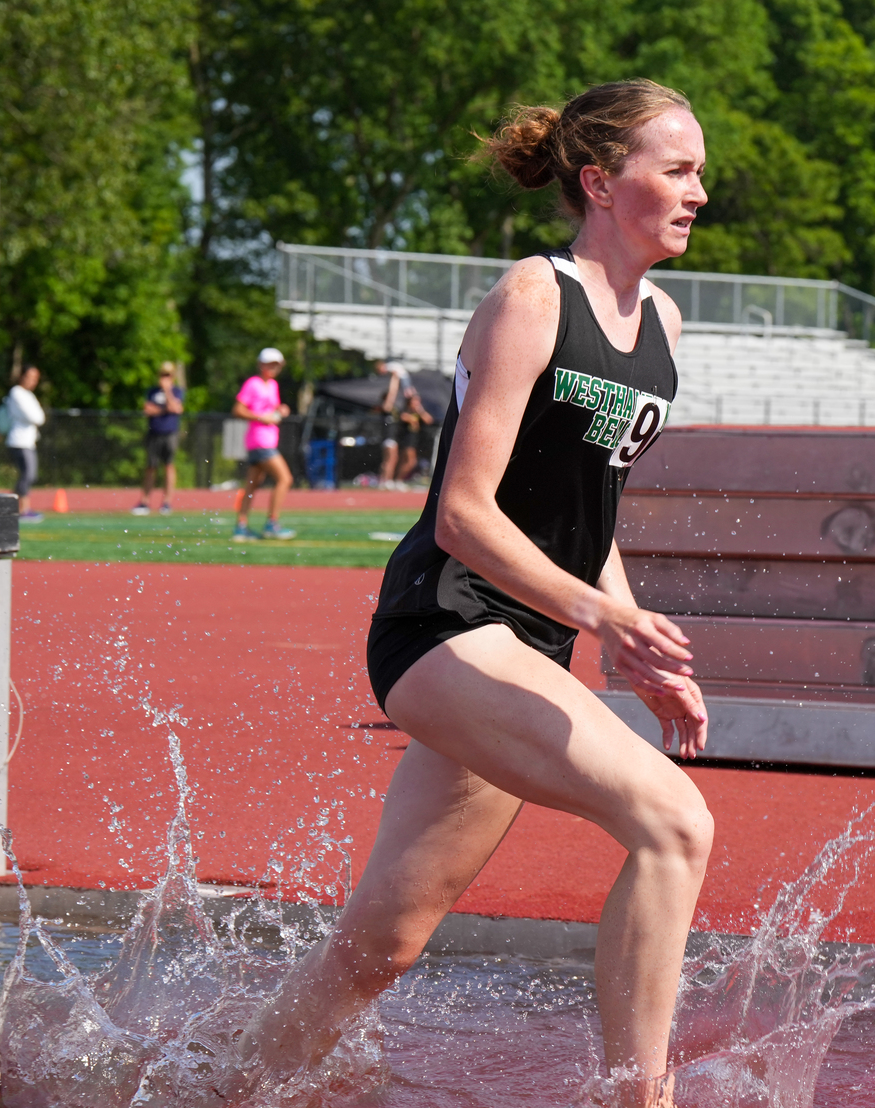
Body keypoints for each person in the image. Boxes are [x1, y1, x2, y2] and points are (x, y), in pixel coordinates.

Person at [228, 80, 713, 1107]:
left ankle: (208, 1090)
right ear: (599, 181)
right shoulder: (534, 299)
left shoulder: (662, 319)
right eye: (677, 170)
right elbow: (464, 514)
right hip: (444, 626)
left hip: (526, 648)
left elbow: (592, 512)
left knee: (380, 947)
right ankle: (643, 1100)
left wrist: (625, 639)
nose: (698, 192)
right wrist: (605, 614)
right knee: (675, 823)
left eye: (698, 171)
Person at [232, 348, 296, 541]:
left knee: (252, 485)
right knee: (285, 479)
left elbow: (272, 407)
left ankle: (241, 527)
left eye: (276, 364)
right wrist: (262, 417)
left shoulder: (273, 385)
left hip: (264, 440)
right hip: (260, 441)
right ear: (261, 365)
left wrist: (281, 410)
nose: (273, 368)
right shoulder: (253, 383)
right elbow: (238, 409)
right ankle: (272, 523)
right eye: (270, 364)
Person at [132, 362, 184, 515]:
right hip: (154, 432)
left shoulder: (176, 391)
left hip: (170, 433)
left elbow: (176, 408)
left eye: (167, 375)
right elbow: (147, 410)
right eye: (162, 374)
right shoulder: (152, 391)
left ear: (173, 377)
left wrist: (167, 391)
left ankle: (167, 502)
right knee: (150, 467)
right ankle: (145, 502)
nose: (164, 378)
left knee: (168, 466)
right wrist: (165, 409)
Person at [4, 365, 46, 522]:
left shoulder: (28, 395)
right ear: (22, 376)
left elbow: (39, 416)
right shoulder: (17, 392)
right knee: (28, 474)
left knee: (29, 475)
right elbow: (35, 417)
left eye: (36, 378)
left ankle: (16, 507)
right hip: (19, 441)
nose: (33, 381)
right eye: (30, 376)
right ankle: (21, 508)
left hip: (28, 442)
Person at [376, 359, 412, 489]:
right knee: (390, 460)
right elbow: (392, 394)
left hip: (390, 437)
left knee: (391, 459)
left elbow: (394, 395)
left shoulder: (392, 410)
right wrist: (395, 379)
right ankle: (385, 480)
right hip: (388, 437)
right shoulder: (386, 409)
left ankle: (385, 480)